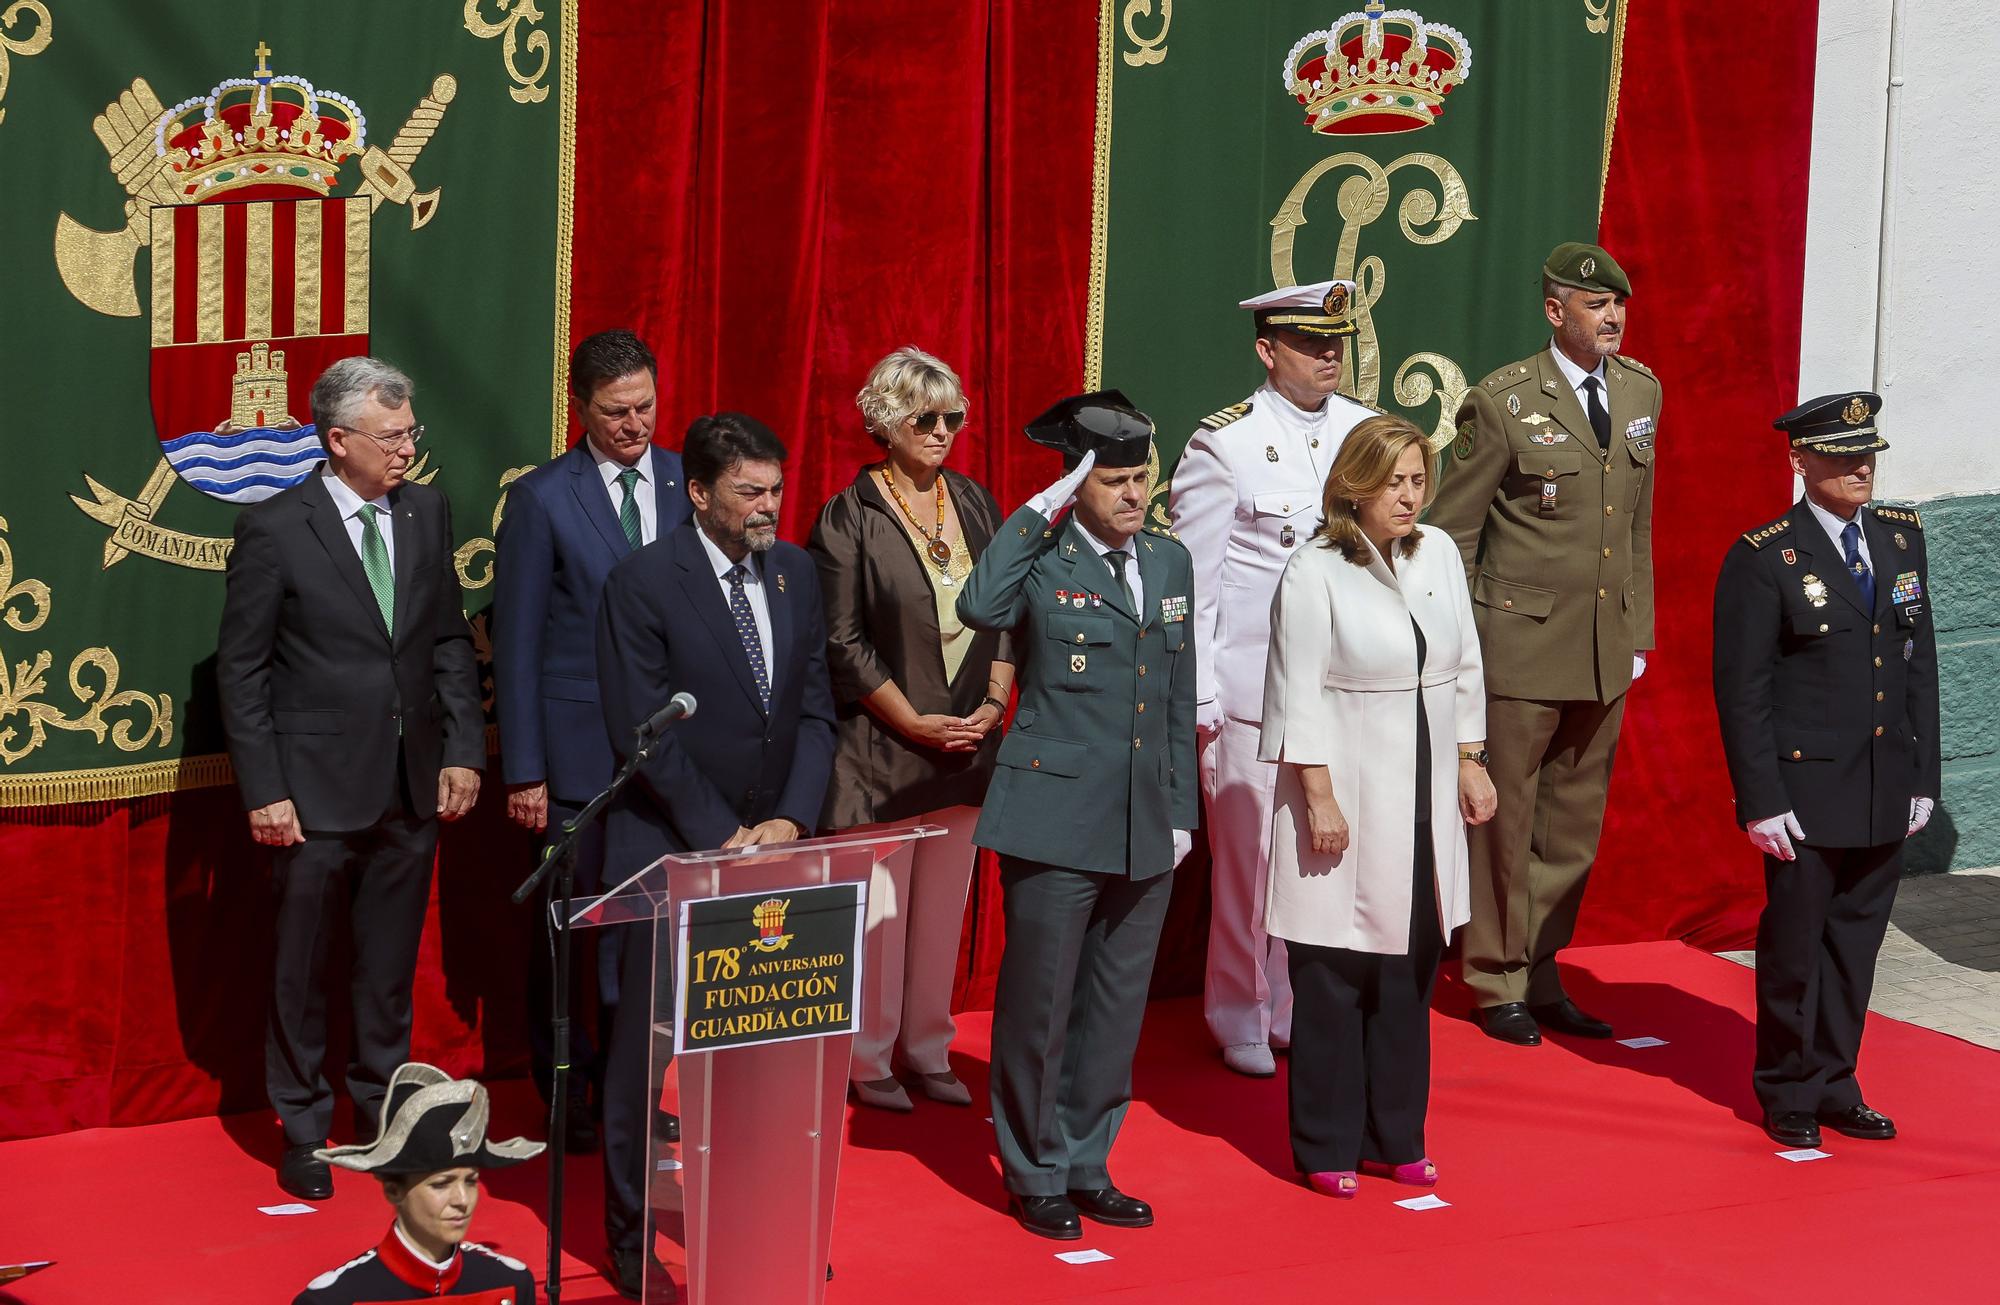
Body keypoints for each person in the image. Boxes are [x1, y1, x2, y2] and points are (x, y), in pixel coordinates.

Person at [218, 357, 484, 1201]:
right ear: (338, 441)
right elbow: (243, 668)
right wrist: (264, 786)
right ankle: (302, 1124)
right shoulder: (274, 527)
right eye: (392, 435)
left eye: (412, 432)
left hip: (409, 782)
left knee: (387, 966)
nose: (408, 448)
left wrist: (462, 750)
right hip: (311, 789)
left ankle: (382, 1116)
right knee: (301, 965)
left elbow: (447, 638)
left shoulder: (427, 511)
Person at [593, 411, 836, 1297]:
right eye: (750, 492)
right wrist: (720, 835)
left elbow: (813, 705)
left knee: (761, 1051)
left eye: (776, 488)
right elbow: (643, 730)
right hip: (670, 849)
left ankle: (761, 1211)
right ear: (699, 493)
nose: (770, 506)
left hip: (775, 858)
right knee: (642, 1058)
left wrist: (793, 823)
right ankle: (627, 1232)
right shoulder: (644, 582)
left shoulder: (797, 572)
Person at [956, 390, 1198, 1241]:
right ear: (1079, 484)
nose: (1136, 495)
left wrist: (1181, 813)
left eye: (1143, 478)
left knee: (1114, 1005)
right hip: (1053, 816)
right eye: (1117, 481)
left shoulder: (1169, 563)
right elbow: (979, 608)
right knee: (1041, 1004)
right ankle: (1034, 1169)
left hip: (1144, 818)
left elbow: (1175, 693)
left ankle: (1089, 1161)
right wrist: (1037, 511)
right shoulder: (1043, 560)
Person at [1426, 241, 1659, 1046]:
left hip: (1602, 644)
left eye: (1619, 306)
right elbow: (1450, 533)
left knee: (1571, 823)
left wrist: (1640, 631)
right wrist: (1460, 646)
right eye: (1597, 307)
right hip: (1516, 646)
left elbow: (1636, 523)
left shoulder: (1639, 393)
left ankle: (1544, 967)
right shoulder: (1501, 403)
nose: (1613, 319)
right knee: (1505, 818)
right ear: (1556, 311)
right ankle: (1494, 978)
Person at [1260, 415, 1495, 1198]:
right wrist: (1317, 797)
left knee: (1408, 969)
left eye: (1418, 479)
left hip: (1425, 796)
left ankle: (1395, 1134)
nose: (1408, 495)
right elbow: (1297, 692)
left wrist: (1470, 760)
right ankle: (1325, 1142)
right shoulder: (1315, 567)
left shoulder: (1438, 555)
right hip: (1346, 791)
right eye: (1392, 481)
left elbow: (1464, 664)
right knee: (1332, 973)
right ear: (1354, 487)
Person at [1711, 392, 1938, 1149]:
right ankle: (1786, 1086)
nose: (1859, 467)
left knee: (1855, 948)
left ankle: (1837, 1080)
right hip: (1804, 792)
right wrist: (1760, 799)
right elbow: (1743, 689)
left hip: (1882, 780)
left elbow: (1919, 665)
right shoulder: (1765, 556)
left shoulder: (1901, 538)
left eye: (1866, 453)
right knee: (1795, 948)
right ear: (1800, 461)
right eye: (1841, 456)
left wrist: (1924, 777)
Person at [1170, 278, 1376, 1076]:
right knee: (1251, 867)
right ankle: (1239, 1010)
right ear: (1268, 350)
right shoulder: (1225, 443)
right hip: (1253, 690)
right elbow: (1196, 581)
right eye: (1310, 343)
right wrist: (1202, 697)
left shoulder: (1365, 431)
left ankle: (1293, 1006)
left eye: (1335, 342)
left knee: (1321, 863)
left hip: (1343, 688)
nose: (1329, 355)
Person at [493, 329, 692, 1149]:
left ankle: (633, 1090)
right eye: (617, 412)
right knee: (568, 939)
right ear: (581, 409)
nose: (635, 424)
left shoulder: (688, 481)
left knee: (651, 941)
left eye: (646, 406)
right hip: (577, 760)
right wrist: (525, 768)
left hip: (673, 757)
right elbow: (518, 642)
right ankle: (563, 1094)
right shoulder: (542, 499)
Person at [808, 347, 1016, 1112]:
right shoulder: (848, 514)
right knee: (880, 917)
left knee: (942, 907)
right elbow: (842, 642)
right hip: (882, 749)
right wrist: (913, 721)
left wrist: (994, 703)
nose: (941, 430)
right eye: (923, 417)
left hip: (966, 740)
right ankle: (868, 1058)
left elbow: (1003, 611)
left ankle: (929, 1047)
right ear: (885, 423)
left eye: (952, 417)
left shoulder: (973, 501)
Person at [295, 1063, 543, 1303]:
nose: (462, 1200)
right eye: (441, 1184)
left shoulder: (509, 1284)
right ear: (393, 1190)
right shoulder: (336, 1298)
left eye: (470, 1181)